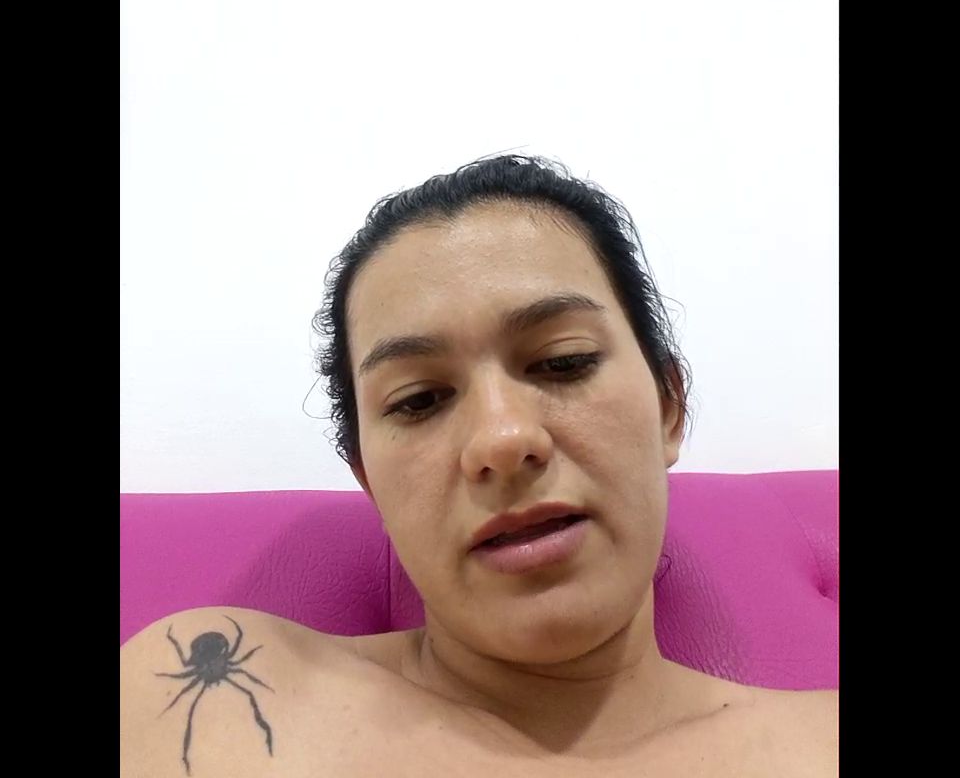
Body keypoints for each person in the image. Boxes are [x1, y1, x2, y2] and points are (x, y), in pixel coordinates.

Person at [121, 155, 838, 777]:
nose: (501, 439)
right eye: (419, 400)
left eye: (563, 362)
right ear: (369, 480)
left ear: (668, 408)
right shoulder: (205, 707)